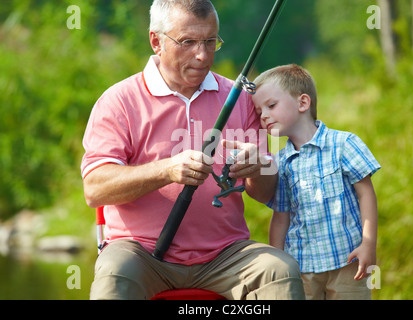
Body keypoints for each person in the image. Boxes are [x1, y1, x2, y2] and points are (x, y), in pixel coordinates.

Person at [81, 0, 304, 300]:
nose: (202, 55)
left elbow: (263, 193)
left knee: (280, 269)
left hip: (225, 254)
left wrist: (260, 166)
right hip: (140, 253)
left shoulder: (239, 100)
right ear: (156, 41)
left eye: (210, 42)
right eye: (187, 42)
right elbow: (95, 188)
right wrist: (167, 169)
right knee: (114, 274)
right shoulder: (118, 102)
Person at [252, 64, 381, 300]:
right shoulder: (280, 163)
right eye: (259, 111)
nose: (263, 116)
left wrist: (368, 244)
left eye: (271, 106)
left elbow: (366, 195)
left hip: (347, 261)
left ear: (303, 103)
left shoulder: (343, 144)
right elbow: (281, 216)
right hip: (303, 266)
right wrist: (278, 263)